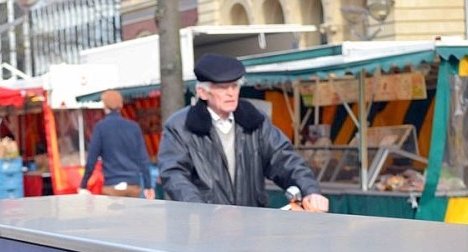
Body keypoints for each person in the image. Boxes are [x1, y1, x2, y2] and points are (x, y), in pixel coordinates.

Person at [157, 54, 329, 211]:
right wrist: (203, 212)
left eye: (235, 86)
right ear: (202, 92)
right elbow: (174, 175)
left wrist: (310, 190)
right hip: (203, 230)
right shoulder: (180, 126)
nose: (231, 93)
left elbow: (284, 158)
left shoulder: (254, 120)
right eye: (223, 88)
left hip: (251, 224)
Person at [79, 89, 155, 199]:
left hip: (112, 186)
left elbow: (92, 159)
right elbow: (143, 159)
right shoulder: (134, 127)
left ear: (104, 106)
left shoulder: (101, 128)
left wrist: (83, 185)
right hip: (133, 185)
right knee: (131, 216)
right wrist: (148, 186)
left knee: (112, 216)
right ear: (121, 105)